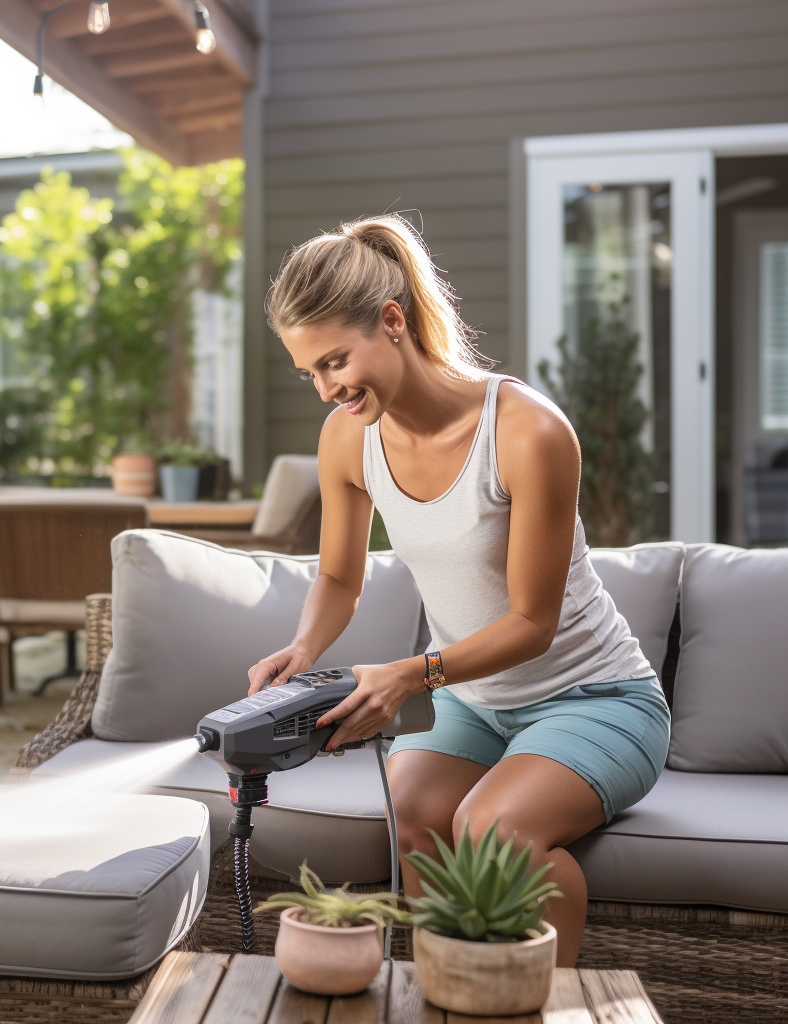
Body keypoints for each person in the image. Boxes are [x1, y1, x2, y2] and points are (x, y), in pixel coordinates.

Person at [246, 215, 670, 967]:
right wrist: (303, 648)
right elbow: (340, 576)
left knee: (491, 831)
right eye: (308, 371)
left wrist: (411, 673)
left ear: (392, 321)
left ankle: (544, 1008)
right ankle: (444, 997)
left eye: (336, 361)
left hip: (595, 699)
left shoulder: (528, 431)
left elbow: (534, 623)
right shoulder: (349, 437)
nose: (324, 390)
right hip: (473, 704)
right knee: (410, 815)